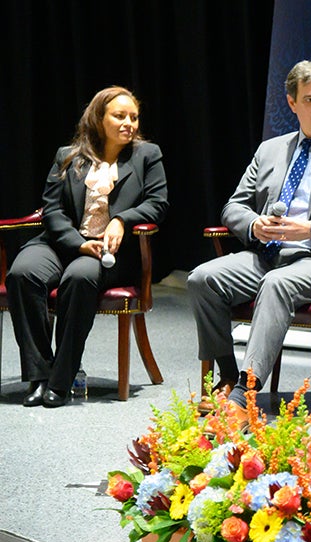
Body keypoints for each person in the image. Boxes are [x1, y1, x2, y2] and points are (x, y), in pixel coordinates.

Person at [187, 60, 311, 417]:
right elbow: (234, 206)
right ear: (291, 103)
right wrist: (255, 225)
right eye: (310, 100)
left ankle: (243, 396)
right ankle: (229, 374)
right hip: (267, 253)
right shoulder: (271, 150)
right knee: (202, 279)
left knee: (276, 284)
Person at [8, 86, 169, 408]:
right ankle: (39, 375)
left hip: (109, 252)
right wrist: (77, 243)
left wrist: (121, 219)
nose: (129, 123)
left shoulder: (147, 156)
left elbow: (157, 203)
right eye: (119, 116)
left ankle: (61, 378)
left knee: (79, 278)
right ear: (99, 118)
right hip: (62, 242)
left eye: (134, 117)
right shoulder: (67, 155)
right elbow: (51, 210)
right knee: (22, 273)